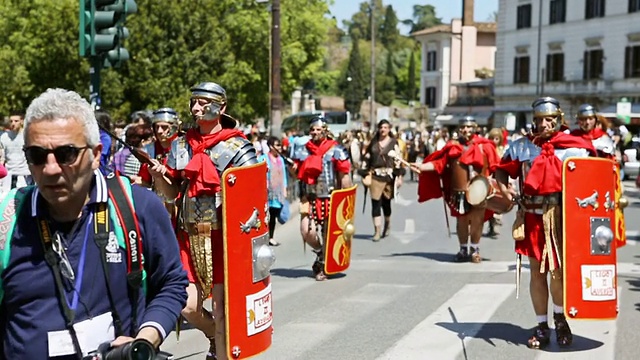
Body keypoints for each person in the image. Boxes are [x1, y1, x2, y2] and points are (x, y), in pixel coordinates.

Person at [0, 88, 188, 359]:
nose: (51, 168)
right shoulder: (8, 220)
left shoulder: (138, 207)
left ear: (96, 154)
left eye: (66, 154)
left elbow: (171, 282)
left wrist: (145, 340)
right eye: (37, 155)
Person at [148, 82, 258, 360]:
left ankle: (222, 352)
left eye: (202, 102)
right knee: (186, 307)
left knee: (223, 312)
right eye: (193, 102)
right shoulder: (182, 145)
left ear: (220, 108)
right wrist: (161, 176)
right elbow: (173, 194)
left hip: (223, 240)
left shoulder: (238, 147)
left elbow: (252, 199)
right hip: (187, 236)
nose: (195, 108)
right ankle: (212, 334)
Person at [494, 97, 596, 349]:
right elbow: (501, 169)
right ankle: (541, 325)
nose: (543, 124)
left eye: (549, 119)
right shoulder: (522, 146)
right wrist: (505, 188)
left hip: (563, 217)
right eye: (539, 119)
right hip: (532, 215)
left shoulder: (575, 146)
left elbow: (593, 178)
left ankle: (561, 319)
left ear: (559, 119)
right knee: (537, 272)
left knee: (558, 273)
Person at [412, 116, 500, 263]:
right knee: (462, 221)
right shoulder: (453, 147)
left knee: (478, 221)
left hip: (480, 190)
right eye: (463, 127)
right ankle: (463, 248)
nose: (466, 130)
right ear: (459, 130)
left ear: (475, 128)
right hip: (459, 191)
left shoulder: (485, 146)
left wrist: (500, 184)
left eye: (469, 127)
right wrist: (421, 167)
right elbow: (439, 164)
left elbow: (496, 166)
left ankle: (475, 249)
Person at [293, 116, 352, 281]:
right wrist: (293, 169)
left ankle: (323, 264)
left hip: (330, 197)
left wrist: (345, 199)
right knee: (306, 231)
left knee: (329, 234)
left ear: (325, 130)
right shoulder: (303, 150)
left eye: (318, 129)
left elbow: (344, 175)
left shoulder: (336, 149)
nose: (314, 132)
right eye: (312, 129)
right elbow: (296, 174)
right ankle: (320, 251)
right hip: (309, 196)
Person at [361, 120, 404, 241]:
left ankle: (387, 224)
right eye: (381, 127)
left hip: (388, 177)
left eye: (385, 127)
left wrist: (399, 176)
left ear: (389, 129)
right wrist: (364, 172)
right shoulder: (373, 143)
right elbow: (367, 158)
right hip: (375, 176)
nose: (383, 129)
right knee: (375, 204)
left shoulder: (393, 143)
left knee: (386, 204)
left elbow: (398, 160)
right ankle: (377, 231)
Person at [258, 136, 288, 246]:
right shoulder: (264, 158)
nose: (280, 147)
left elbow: (284, 176)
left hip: (277, 192)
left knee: (273, 216)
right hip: (266, 192)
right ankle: (263, 237)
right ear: (271, 146)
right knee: (265, 216)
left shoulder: (280, 160)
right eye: (277, 145)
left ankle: (271, 237)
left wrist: (285, 189)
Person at [0, 110, 32, 189]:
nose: (13, 123)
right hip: (9, 174)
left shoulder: (27, 136)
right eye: (11, 121)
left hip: (24, 174)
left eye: (16, 121)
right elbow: (2, 158)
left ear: (21, 121)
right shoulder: (4, 137)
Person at [486, 128, 506, 238]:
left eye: (497, 138)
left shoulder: (502, 149)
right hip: (490, 178)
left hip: (499, 178)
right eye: (492, 138)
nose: (494, 140)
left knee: (499, 203)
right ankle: (491, 224)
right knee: (490, 204)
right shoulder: (487, 149)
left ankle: (496, 223)